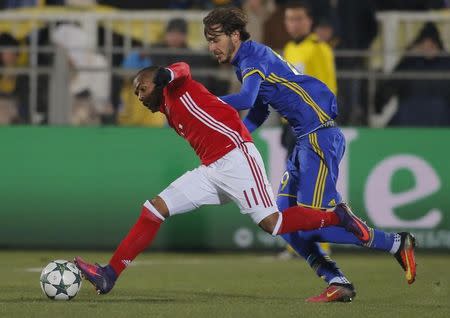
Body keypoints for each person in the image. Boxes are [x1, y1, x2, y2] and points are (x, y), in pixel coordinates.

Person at [74, 62, 368, 295]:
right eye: (136, 93)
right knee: (154, 209)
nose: (139, 97)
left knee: (273, 223)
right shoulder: (167, 109)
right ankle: (108, 275)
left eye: (142, 88)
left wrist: (166, 74)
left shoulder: (176, 87)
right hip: (212, 170)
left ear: (156, 81)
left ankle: (336, 217)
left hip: (237, 158)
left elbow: (183, 69)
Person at [203, 7, 416, 302]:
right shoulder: (248, 60)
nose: (211, 47)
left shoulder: (252, 57)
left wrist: (204, 102)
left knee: (311, 222)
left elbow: (246, 98)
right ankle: (337, 280)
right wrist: (240, 136)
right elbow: (259, 108)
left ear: (235, 35)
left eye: (215, 39)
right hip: (305, 139)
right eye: (208, 41)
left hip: (318, 136)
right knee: (283, 222)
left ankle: (393, 242)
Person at [281, 1, 338, 257]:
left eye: (298, 19)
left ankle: (322, 244)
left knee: (315, 186)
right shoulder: (289, 48)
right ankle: (296, 243)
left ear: (309, 21)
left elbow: (329, 88)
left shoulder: (320, 49)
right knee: (293, 186)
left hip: (313, 128)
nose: (293, 24)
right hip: (293, 126)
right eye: (289, 19)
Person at [375, 22, 450, 126]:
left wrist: (378, 106)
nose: (427, 48)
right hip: (413, 121)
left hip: (435, 121)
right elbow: (388, 89)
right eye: (424, 44)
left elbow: (387, 89)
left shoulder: (409, 63)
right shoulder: (409, 63)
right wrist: (378, 105)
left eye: (431, 45)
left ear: (437, 46)